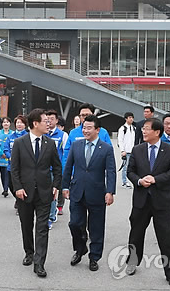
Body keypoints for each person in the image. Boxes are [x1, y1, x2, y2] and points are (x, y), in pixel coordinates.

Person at [125, 118, 170, 288]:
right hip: (141, 200)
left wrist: (155, 179)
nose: (143, 131)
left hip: (162, 201)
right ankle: (133, 262)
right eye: (143, 129)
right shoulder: (137, 150)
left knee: (167, 237)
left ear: (157, 132)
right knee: (136, 233)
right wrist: (139, 181)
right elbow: (130, 171)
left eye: (147, 129)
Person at [10, 109, 62, 278]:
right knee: (26, 225)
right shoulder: (19, 142)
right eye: (45, 121)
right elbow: (15, 169)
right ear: (35, 124)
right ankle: (29, 252)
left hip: (45, 192)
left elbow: (57, 167)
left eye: (49, 121)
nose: (49, 124)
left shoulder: (50, 143)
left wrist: (56, 186)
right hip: (24, 192)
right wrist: (17, 187)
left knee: (42, 228)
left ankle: (39, 263)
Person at [62, 114, 116, 272]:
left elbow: (111, 171)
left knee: (96, 227)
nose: (85, 130)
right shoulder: (76, 145)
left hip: (97, 192)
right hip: (77, 190)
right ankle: (80, 248)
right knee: (74, 223)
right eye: (84, 127)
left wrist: (110, 191)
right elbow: (68, 167)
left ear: (97, 130)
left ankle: (94, 257)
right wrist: (65, 186)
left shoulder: (106, 148)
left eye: (88, 128)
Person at [62, 103, 112, 170]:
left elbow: (109, 154)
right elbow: (67, 155)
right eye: (82, 115)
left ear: (93, 115)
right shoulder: (73, 133)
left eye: (87, 115)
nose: (85, 117)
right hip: (77, 174)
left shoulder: (102, 132)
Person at [45, 109, 69, 227]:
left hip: (55, 169)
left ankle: (50, 216)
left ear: (57, 121)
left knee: (52, 192)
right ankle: (48, 212)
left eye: (51, 119)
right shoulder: (42, 133)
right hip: (42, 168)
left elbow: (66, 153)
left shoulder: (63, 135)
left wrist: (64, 170)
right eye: (47, 119)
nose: (49, 122)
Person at [3, 115, 29, 214]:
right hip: (11, 166)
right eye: (17, 122)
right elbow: (6, 149)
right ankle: (18, 199)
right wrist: (10, 157)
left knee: (21, 185)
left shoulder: (28, 136)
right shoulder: (10, 137)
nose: (19, 124)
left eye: (21, 123)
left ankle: (20, 204)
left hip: (24, 167)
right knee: (11, 185)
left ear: (25, 125)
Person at [0, 116, 12, 197]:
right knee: (2, 173)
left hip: (9, 156)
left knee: (7, 173)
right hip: (1, 157)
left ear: (10, 124)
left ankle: (6, 189)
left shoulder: (12, 133)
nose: (6, 124)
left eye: (7, 122)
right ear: (2, 124)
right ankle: (4, 186)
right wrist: (1, 153)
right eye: (4, 122)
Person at [117, 112, 136, 189]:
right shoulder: (122, 129)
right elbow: (120, 140)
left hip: (133, 150)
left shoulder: (134, 128)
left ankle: (129, 181)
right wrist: (122, 150)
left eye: (132, 117)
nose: (131, 119)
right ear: (126, 119)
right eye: (129, 117)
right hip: (126, 151)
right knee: (125, 167)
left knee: (133, 167)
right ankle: (124, 181)